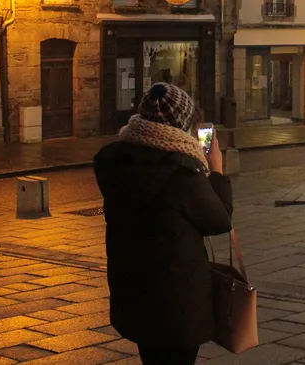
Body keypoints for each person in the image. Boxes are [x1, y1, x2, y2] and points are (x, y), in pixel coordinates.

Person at [93, 82, 232, 365]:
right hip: (178, 300)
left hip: (133, 290)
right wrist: (216, 171)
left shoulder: (114, 160)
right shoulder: (181, 172)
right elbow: (219, 220)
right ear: (182, 124)